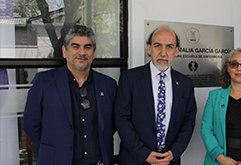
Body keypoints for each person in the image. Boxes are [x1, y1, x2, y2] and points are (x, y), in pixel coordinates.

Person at [22, 25, 117, 165]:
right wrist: (54, 148)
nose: (82, 52)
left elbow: (113, 124)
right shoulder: (44, 82)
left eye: (87, 47)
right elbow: (30, 123)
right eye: (75, 46)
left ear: (94, 52)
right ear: (64, 51)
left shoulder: (108, 85)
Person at [114, 26, 197, 165]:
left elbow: (188, 121)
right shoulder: (129, 78)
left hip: (169, 161)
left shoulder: (185, 84)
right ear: (149, 48)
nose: (163, 53)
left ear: (176, 51)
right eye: (157, 45)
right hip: (135, 160)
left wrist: (174, 152)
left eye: (169, 47)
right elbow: (121, 119)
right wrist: (144, 154)